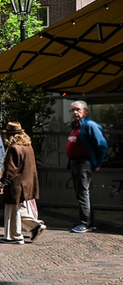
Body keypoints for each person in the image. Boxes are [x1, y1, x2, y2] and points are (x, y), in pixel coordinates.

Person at [0, 122, 45, 244]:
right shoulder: (28, 146)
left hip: (15, 184)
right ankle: (35, 226)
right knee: (16, 209)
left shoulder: (13, 148)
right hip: (26, 183)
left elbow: (10, 169)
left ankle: (14, 236)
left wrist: (1, 184)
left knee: (11, 210)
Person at [66, 100, 108, 233]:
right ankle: (89, 222)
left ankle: (85, 223)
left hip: (84, 163)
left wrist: (98, 163)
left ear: (85, 111)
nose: (75, 112)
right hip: (76, 163)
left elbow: (101, 145)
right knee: (81, 194)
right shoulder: (77, 126)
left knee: (83, 193)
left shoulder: (90, 125)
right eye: (72, 110)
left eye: (78, 109)